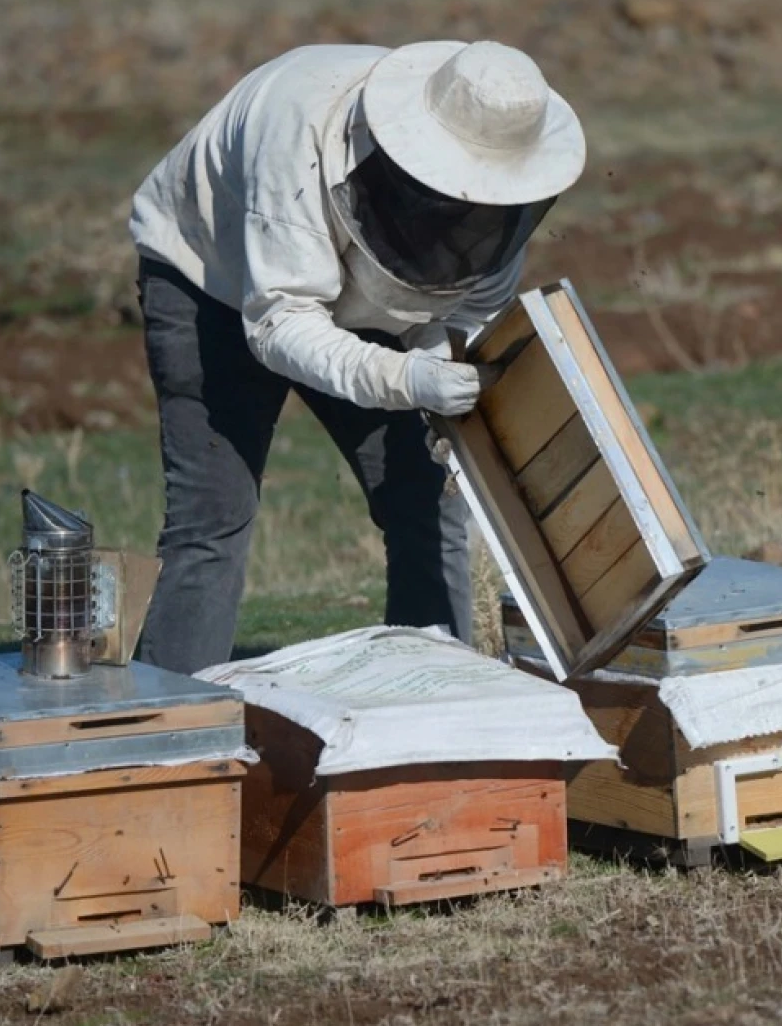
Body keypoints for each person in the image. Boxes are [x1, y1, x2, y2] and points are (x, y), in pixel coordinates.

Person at [127, 41, 585, 675]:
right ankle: (171, 735)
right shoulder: (298, 130)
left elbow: (466, 315)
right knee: (214, 517)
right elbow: (280, 323)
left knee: (426, 497)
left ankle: (436, 697)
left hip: (353, 300)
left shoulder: (501, 202)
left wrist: (438, 355)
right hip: (213, 277)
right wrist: (406, 376)